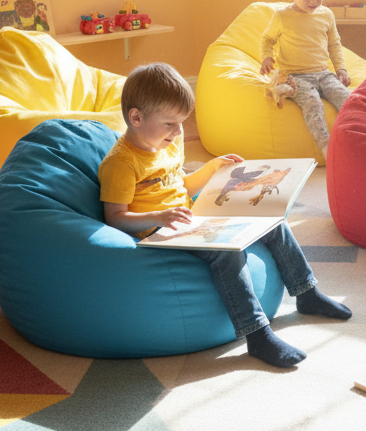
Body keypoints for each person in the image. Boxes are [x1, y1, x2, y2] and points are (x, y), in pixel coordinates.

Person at [99, 63, 352, 368]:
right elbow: (115, 217)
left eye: (181, 123)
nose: (179, 132)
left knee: (270, 218)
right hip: (157, 233)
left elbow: (183, 184)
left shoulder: (164, 144)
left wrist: (213, 168)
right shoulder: (121, 163)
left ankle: (306, 292)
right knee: (226, 252)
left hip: (186, 219)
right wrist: (158, 217)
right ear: (136, 118)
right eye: (170, 124)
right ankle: (257, 335)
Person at [258, 0, 351, 159]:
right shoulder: (282, 16)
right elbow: (267, 39)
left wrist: (341, 69)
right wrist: (266, 57)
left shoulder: (326, 15)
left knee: (348, 100)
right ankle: (328, 148)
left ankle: (353, 142)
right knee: (312, 102)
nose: (314, 1)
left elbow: (334, 44)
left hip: (324, 74)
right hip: (295, 76)